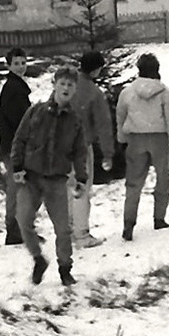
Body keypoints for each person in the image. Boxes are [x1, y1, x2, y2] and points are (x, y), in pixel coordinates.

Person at [9, 67, 90, 286]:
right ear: (54, 85)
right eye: (62, 83)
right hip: (31, 178)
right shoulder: (36, 111)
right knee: (23, 220)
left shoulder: (74, 121)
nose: (66, 88)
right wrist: (17, 167)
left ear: (74, 90)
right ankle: (38, 259)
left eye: (70, 85)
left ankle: (65, 268)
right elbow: (20, 139)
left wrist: (81, 178)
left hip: (56, 181)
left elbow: (80, 152)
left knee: (62, 229)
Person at [116, 53, 169, 241]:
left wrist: (122, 139)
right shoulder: (166, 93)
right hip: (159, 138)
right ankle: (159, 218)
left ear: (139, 69)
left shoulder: (127, 93)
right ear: (157, 70)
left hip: (135, 139)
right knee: (163, 177)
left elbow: (120, 118)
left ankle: (128, 224)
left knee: (134, 183)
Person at [68, 52, 116, 248]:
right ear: (96, 69)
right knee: (81, 189)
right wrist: (108, 153)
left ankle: (68, 229)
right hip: (80, 146)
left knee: (67, 188)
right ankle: (82, 234)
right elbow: (103, 125)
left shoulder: (66, 85)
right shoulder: (93, 93)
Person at [0, 48, 32, 246]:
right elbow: (20, 120)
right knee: (17, 188)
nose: (20, 67)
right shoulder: (14, 89)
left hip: (14, 145)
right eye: (16, 63)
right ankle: (14, 230)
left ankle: (20, 229)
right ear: (8, 65)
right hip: (14, 147)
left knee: (20, 187)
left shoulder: (16, 86)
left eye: (23, 63)